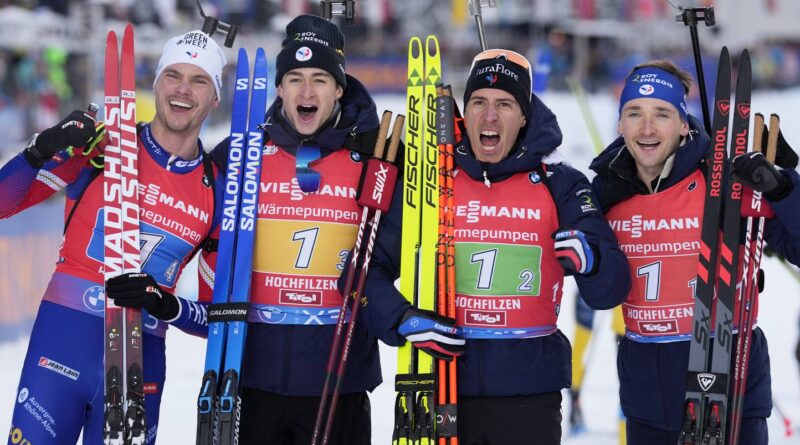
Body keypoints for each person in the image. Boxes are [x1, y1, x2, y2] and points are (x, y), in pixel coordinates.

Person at [202, 14, 462, 444]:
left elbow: (381, 263)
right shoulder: (240, 156)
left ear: (340, 88)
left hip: (338, 381)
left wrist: (400, 318)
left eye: (320, 79)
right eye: (296, 79)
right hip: (250, 378)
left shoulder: (379, 159)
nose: (307, 92)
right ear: (279, 88)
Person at [364, 48, 631, 444]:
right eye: (478, 103)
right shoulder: (431, 182)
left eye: (504, 104)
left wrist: (591, 260)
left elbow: (611, 287)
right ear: (463, 112)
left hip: (529, 398)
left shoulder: (561, 183)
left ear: (524, 115)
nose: (489, 117)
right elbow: (362, 273)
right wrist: (400, 317)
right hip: (441, 387)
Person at [0, 29, 227, 443]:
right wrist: (40, 148)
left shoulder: (217, 193)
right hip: (59, 350)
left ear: (215, 96)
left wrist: (165, 304)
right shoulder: (101, 147)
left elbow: (219, 319)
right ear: (155, 81)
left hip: (139, 368)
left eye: (199, 80)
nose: (183, 90)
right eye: (173, 75)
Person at [589, 59, 800, 444]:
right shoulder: (606, 193)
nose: (647, 127)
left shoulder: (725, 185)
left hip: (732, 393)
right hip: (649, 404)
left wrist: (784, 189)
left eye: (662, 114)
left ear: (684, 124)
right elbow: (599, 290)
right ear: (619, 124)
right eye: (634, 113)